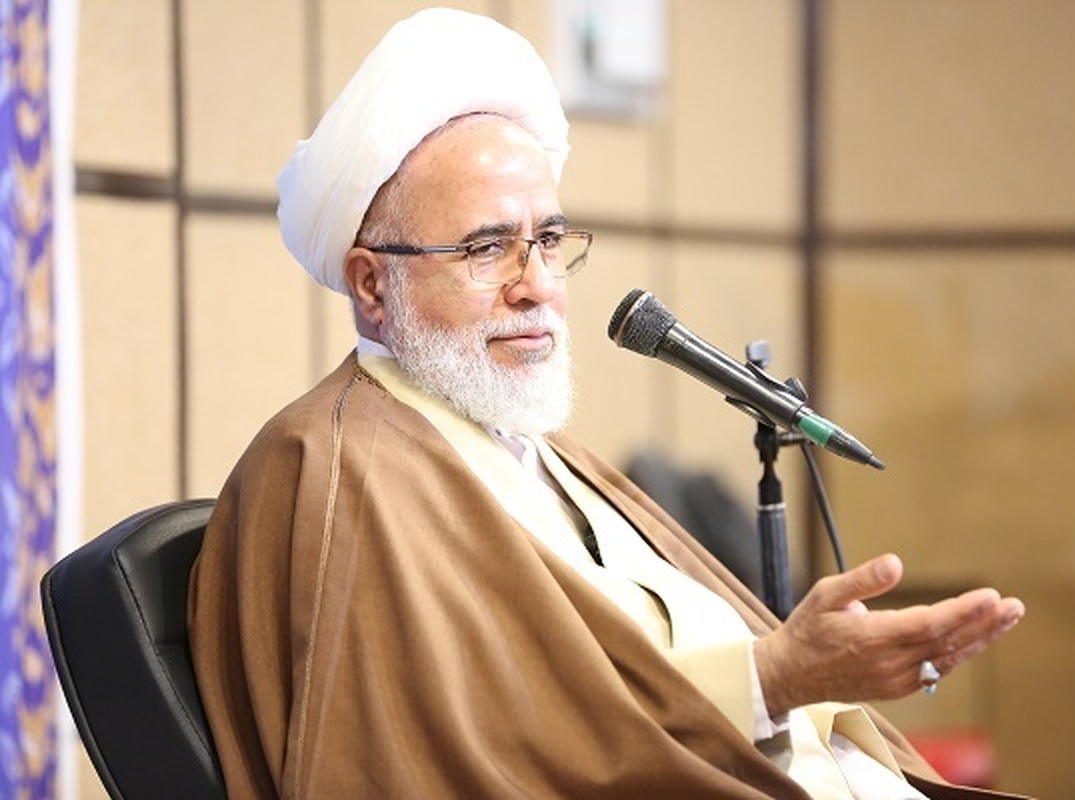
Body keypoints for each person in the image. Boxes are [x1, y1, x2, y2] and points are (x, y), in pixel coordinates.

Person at [188, 8, 1027, 799]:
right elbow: (460, 755)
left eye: (548, 240)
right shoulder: (338, 473)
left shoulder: (530, 447)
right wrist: (777, 679)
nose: (538, 286)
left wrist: (801, 676)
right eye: (487, 249)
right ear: (373, 285)